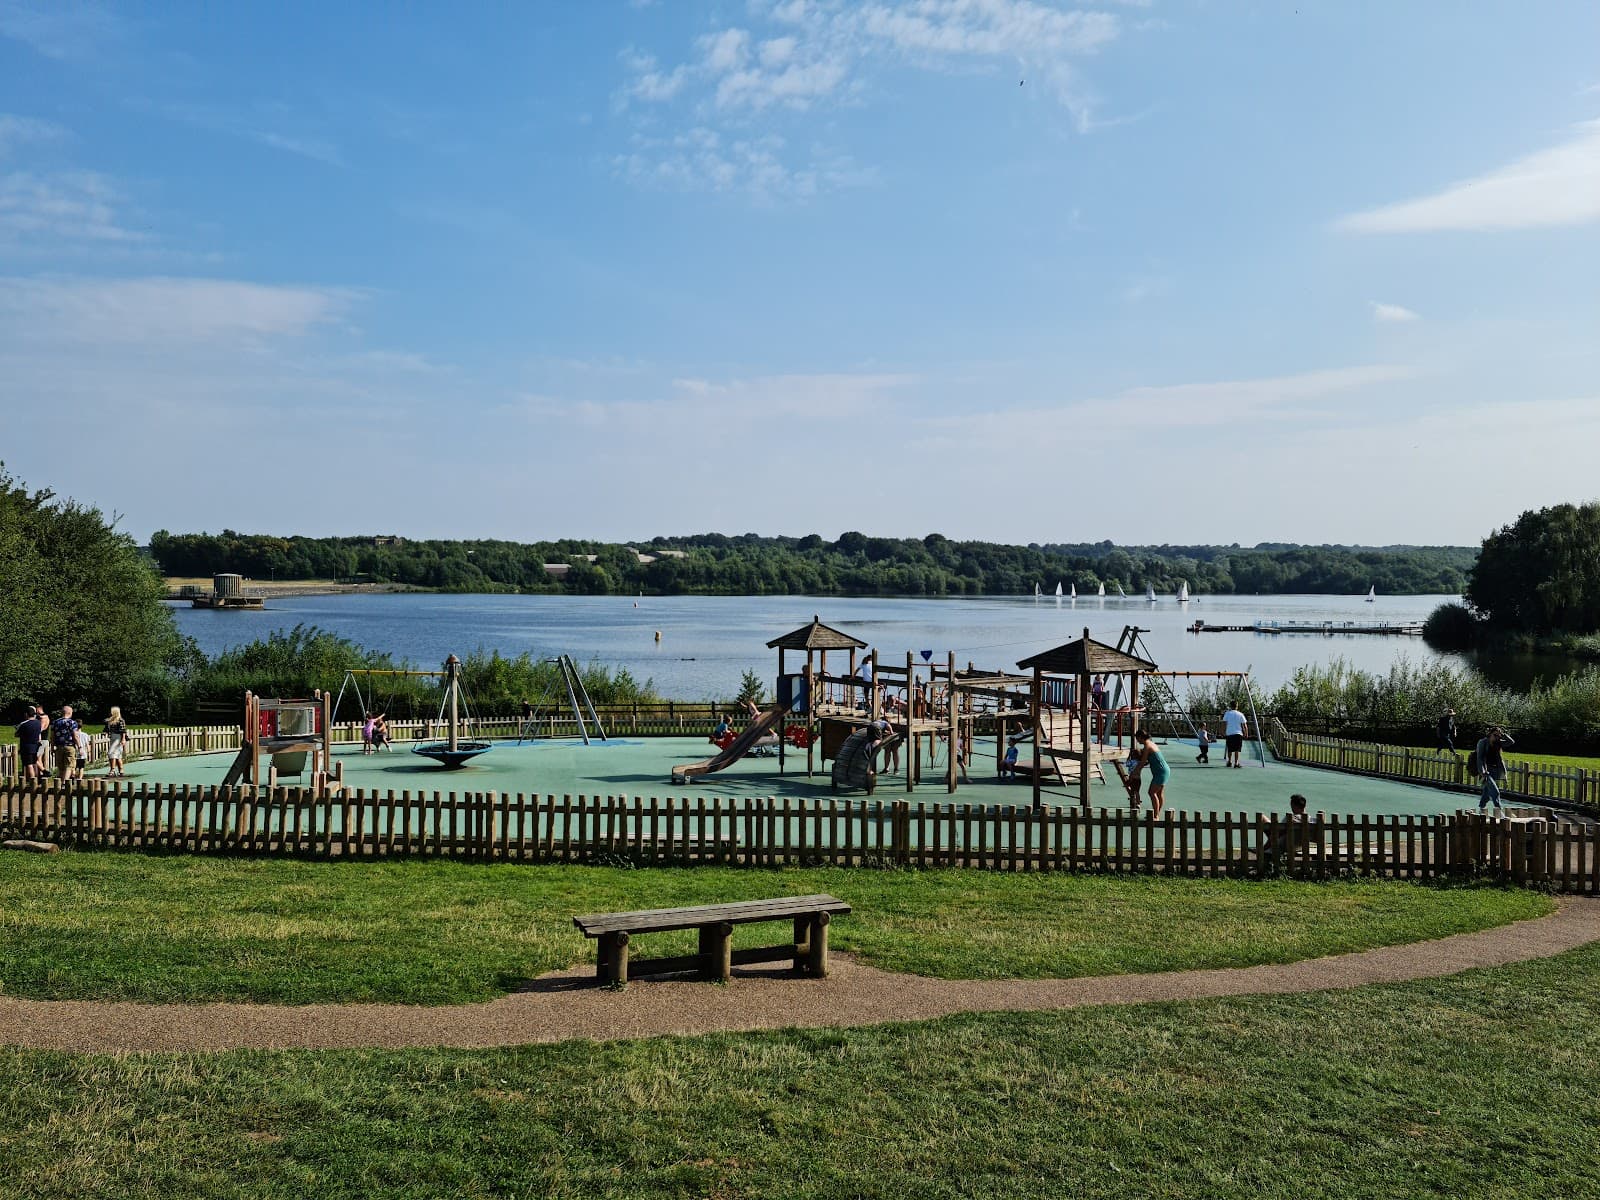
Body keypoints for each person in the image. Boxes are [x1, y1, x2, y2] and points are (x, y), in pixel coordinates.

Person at [1126, 728, 1170, 817]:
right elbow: (1149, 760)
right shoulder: (1151, 743)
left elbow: (1142, 762)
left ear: (1141, 737)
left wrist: (1133, 774)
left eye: (1137, 738)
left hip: (1160, 772)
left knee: (1151, 792)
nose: (1137, 741)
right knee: (1159, 793)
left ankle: (1156, 816)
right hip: (1164, 770)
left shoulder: (1147, 746)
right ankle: (1156, 814)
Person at [1475, 725, 1516, 814]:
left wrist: (1504, 735)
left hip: (1495, 769)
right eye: (1495, 735)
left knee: (1487, 792)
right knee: (1495, 791)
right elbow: (1480, 758)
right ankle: (1499, 810)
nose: (1497, 737)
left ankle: (1481, 808)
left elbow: (1511, 742)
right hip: (1486, 771)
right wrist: (1482, 771)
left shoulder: (1498, 743)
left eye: (1498, 736)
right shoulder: (1482, 742)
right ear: (1490, 734)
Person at [50, 705, 81, 780]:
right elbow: (75, 736)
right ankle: (65, 782)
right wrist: (79, 746)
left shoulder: (55, 722)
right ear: (70, 712)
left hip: (59, 746)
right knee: (69, 765)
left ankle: (61, 782)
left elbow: (52, 736)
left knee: (61, 766)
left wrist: (52, 747)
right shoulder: (72, 722)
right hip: (69, 746)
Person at [14, 705, 45, 779]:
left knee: (29, 764)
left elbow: (16, 734)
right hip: (35, 745)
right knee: (34, 763)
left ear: (26, 714)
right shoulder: (38, 723)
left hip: (26, 746)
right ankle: (36, 779)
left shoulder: (23, 724)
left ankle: (32, 780)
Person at [1222, 702, 1249, 768]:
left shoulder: (1227, 713)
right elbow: (1245, 725)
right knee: (1237, 749)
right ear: (1237, 706)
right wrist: (1246, 734)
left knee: (1230, 749)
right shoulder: (1240, 714)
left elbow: (1224, 723)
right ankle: (1236, 763)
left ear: (1230, 706)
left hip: (1229, 733)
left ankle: (1229, 761)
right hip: (1238, 733)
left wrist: (1222, 732)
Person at [104, 705, 128, 777]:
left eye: (111, 712)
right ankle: (121, 770)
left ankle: (112, 770)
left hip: (118, 737)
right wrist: (105, 733)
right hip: (112, 737)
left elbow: (123, 731)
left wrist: (123, 739)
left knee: (111, 753)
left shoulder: (120, 720)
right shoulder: (110, 720)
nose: (110, 713)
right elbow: (106, 729)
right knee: (117, 755)